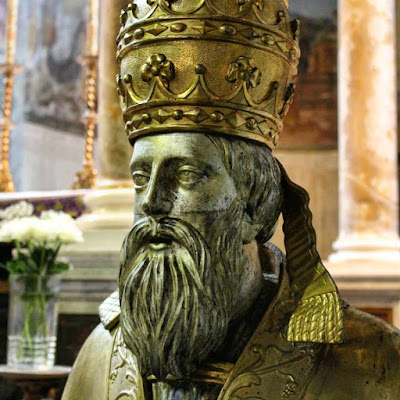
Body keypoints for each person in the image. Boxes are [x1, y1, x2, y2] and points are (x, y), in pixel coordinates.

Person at [62, 1, 400, 399]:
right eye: (140, 179)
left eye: (186, 175)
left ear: (257, 205)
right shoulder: (101, 355)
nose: (152, 202)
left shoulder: (370, 364)